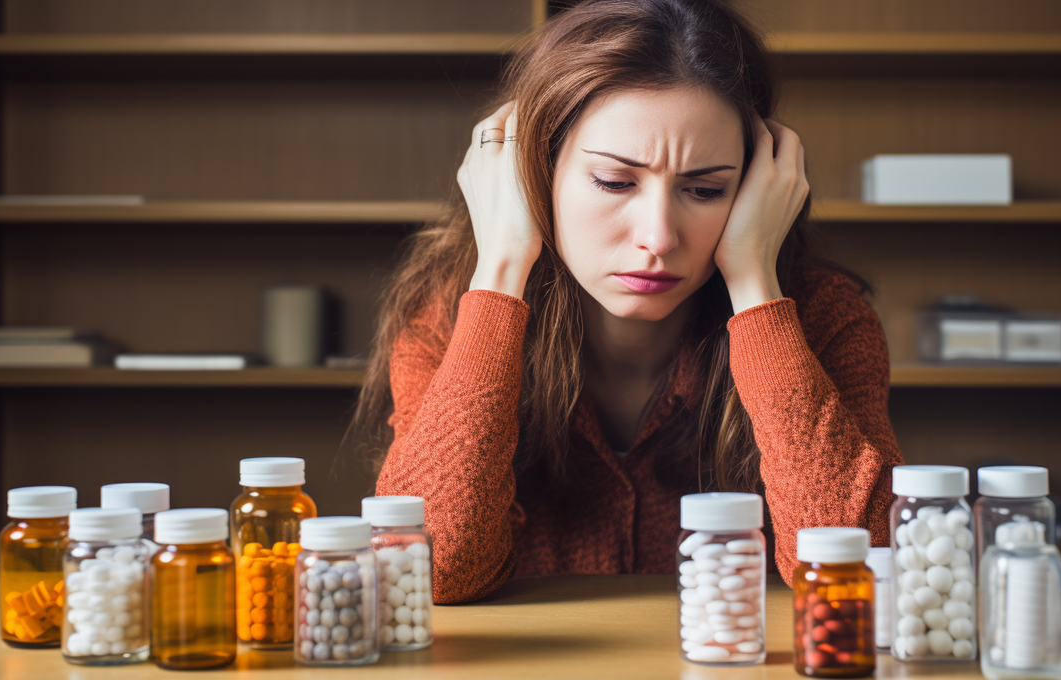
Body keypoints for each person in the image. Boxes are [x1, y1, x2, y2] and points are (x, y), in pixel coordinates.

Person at [352, 0, 904, 604]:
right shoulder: (446, 319)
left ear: (755, 189)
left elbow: (859, 573)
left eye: (705, 189)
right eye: (615, 182)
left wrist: (753, 286)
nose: (659, 237)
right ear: (530, 173)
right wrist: (503, 269)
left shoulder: (823, 318)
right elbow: (431, 571)